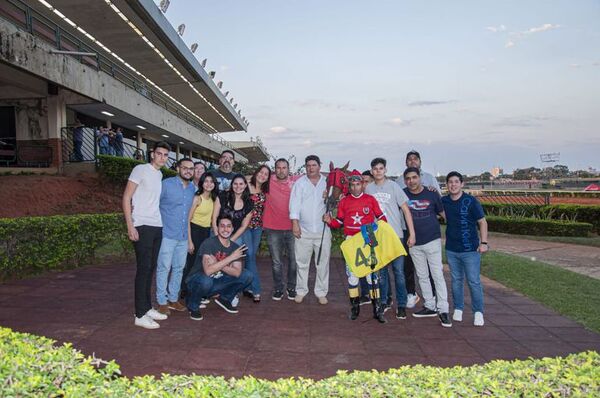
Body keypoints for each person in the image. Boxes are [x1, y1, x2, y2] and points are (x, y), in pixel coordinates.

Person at [324, 170, 388, 323]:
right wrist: (329, 221)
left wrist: (379, 230)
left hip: (367, 239)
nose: (355, 188)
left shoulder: (370, 199)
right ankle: (355, 308)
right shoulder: (344, 201)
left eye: (358, 184)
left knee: (372, 276)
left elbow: (381, 217)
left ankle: (377, 310)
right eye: (352, 185)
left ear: (362, 184)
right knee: (352, 276)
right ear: (349, 186)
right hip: (351, 240)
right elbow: (339, 222)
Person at [122, 141, 171, 329]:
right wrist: (130, 225)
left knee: (150, 267)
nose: (162, 157)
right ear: (152, 154)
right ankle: (139, 314)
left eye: (166, 155)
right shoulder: (140, 169)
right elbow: (126, 197)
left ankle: (147, 307)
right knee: (143, 269)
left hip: (156, 225)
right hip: (141, 224)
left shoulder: (159, 174)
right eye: (159, 153)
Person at [365, 157, 416, 319]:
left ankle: (401, 304)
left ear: (385, 170)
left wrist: (411, 233)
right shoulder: (368, 189)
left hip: (395, 236)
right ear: (372, 171)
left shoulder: (394, 186)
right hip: (378, 237)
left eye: (381, 168)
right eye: (375, 169)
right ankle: (384, 300)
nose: (378, 171)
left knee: (399, 272)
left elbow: (406, 210)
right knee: (381, 272)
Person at [403, 167, 452, 328]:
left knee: (437, 274)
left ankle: (443, 309)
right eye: (408, 178)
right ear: (405, 181)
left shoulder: (432, 194)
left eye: (414, 177)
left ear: (420, 178)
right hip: (414, 243)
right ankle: (430, 305)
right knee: (422, 276)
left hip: (432, 240)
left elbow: (444, 214)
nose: (411, 181)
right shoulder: (403, 194)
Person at [442, 171, 488, 327]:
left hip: (470, 250)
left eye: (456, 182)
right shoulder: (444, 202)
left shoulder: (471, 201)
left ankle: (478, 312)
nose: (453, 185)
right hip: (452, 249)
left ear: (462, 184)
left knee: (474, 281)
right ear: (447, 185)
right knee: (456, 280)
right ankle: (458, 308)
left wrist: (484, 242)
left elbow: (482, 222)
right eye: (450, 182)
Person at [185, 215, 252, 319]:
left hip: (217, 281)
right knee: (206, 281)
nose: (225, 229)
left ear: (233, 229)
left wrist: (218, 262)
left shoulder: (235, 248)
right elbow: (208, 271)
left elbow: (237, 273)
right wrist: (230, 259)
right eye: (222, 226)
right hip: (197, 280)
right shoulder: (209, 243)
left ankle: (225, 299)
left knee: (247, 275)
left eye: (229, 226)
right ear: (217, 228)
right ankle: (192, 305)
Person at [397, 150, 440, 306]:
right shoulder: (398, 182)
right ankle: (411, 293)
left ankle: (434, 296)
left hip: (427, 229)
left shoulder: (430, 179)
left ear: (420, 161)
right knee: (408, 265)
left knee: (430, 267)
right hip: (405, 228)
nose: (412, 161)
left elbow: (438, 202)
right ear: (406, 162)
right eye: (409, 159)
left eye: (415, 159)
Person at [155, 158, 196, 315]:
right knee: (164, 268)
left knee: (179, 268)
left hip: (183, 236)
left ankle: (173, 299)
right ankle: (161, 301)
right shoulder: (166, 184)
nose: (188, 171)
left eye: (191, 169)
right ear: (178, 168)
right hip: (167, 234)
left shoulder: (193, 188)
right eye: (185, 168)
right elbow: (153, 203)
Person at [289, 155, 331, 305]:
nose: (311, 168)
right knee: (302, 262)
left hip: (322, 230)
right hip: (304, 230)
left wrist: (330, 197)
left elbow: (336, 202)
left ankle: (321, 292)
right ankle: (301, 291)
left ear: (319, 166)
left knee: (323, 263)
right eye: (308, 165)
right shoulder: (300, 183)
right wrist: (295, 224)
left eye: (314, 165)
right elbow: (294, 204)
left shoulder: (328, 183)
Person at [263, 158, 301, 301]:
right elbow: (250, 178)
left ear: (288, 169)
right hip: (272, 228)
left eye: (284, 167)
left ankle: (292, 287)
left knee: (293, 260)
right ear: (274, 169)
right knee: (276, 262)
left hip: (292, 227)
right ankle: (278, 288)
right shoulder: (268, 181)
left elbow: (316, 176)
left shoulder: (296, 181)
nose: (281, 170)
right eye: (278, 168)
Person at [182, 172, 218, 299]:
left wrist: (218, 239)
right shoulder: (197, 198)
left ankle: (197, 291)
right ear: (202, 183)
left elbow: (213, 221)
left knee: (202, 263)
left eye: (211, 181)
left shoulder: (214, 199)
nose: (209, 184)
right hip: (194, 231)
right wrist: (189, 241)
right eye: (206, 181)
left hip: (206, 232)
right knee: (191, 263)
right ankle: (184, 290)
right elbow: (188, 219)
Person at [243, 165, 271, 302]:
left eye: (266, 174)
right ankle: (256, 290)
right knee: (249, 254)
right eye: (261, 172)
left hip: (258, 227)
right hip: (245, 226)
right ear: (256, 172)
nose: (263, 175)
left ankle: (246, 285)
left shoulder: (265, 190)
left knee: (251, 255)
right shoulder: (246, 184)